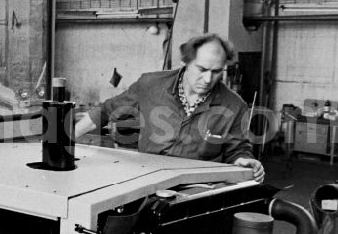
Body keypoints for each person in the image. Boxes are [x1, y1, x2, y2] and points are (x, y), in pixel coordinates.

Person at [74, 34, 265, 182]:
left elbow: (237, 149)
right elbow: (106, 111)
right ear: (185, 63)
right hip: (145, 180)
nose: (208, 80)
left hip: (197, 188)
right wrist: (64, 139)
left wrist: (243, 160)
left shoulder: (234, 105)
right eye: (202, 69)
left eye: (216, 72)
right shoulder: (150, 85)